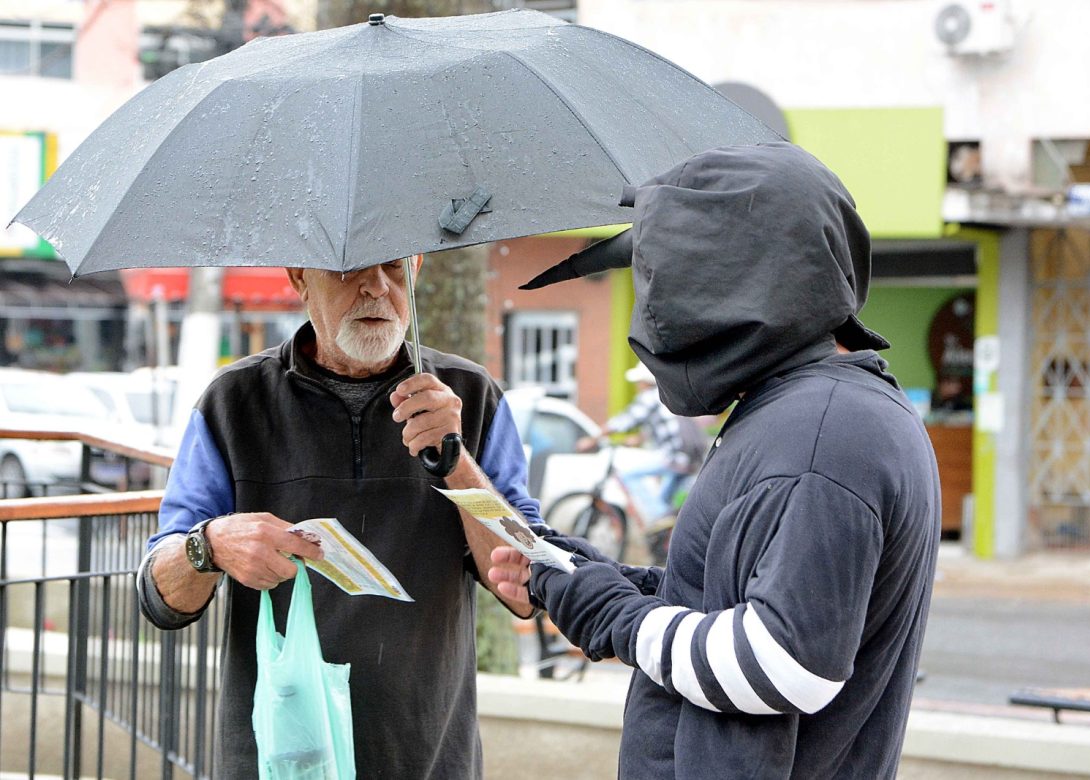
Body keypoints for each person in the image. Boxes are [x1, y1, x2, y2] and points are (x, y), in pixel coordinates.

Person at [492, 142, 941, 778]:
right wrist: (599, 580)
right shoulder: (812, 413)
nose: (656, 314)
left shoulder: (822, 435)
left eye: (667, 278)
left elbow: (785, 665)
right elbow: (731, 604)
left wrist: (615, 615)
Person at [136, 255, 541, 779]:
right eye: (351, 268)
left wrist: (457, 462)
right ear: (299, 277)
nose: (376, 287)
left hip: (429, 758)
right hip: (278, 759)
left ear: (415, 272)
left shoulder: (469, 396)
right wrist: (209, 544)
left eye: (395, 268)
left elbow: (524, 583)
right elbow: (158, 596)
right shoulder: (235, 401)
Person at [578, 362, 704, 524]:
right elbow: (661, 427)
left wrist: (592, 440)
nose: (638, 385)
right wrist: (636, 440)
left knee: (627, 475)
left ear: (645, 381)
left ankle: (658, 518)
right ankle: (663, 535)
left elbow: (624, 421)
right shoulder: (667, 396)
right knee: (664, 502)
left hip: (674, 456)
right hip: (691, 457)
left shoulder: (651, 396)